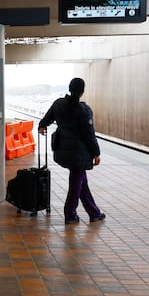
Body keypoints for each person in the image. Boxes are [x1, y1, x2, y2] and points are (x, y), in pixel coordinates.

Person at [38, 77, 105, 225]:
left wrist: (41, 126)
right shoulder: (83, 110)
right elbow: (89, 135)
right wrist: (96, 153)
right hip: (79, 154)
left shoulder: (59, 104)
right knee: (76, 183)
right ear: (82, 91)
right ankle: (70, 214)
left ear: (69, 88)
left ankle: (94, 213)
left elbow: (46, 119)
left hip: (62, 150)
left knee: (81, 181)